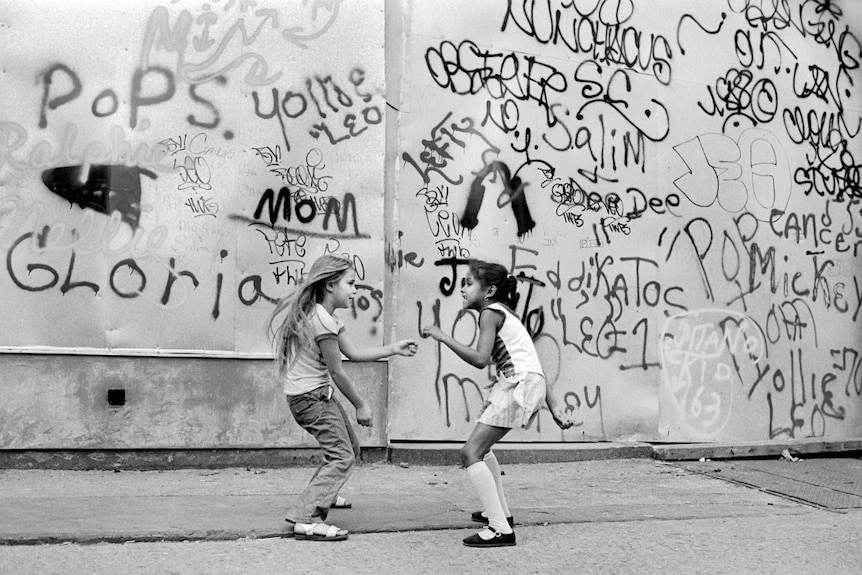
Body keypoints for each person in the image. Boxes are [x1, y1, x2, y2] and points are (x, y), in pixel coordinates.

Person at [422, 259, 573, 547]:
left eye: (468, 283)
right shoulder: (507, 313)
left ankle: (500, 529)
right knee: (482, 449)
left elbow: (480, 360)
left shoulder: (489, 314)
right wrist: (553, 406)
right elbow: (535, 362)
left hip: (519, 384)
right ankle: (500, 513)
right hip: (525, 382)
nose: (462, 289)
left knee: (470, 453)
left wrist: (443, 337)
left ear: (489, 291)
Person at [268, 254, 418, 541]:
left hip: (313, 396)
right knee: (342, 456)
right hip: (311, 399)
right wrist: (361, 404)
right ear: (330, 285)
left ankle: (324, 492)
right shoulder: (321, 321)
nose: (355, 290)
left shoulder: (325, 316)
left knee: (348, 447)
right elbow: (337, 372)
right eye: (350, 283)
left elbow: (355, 353)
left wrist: (394, 349)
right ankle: (307, 519)